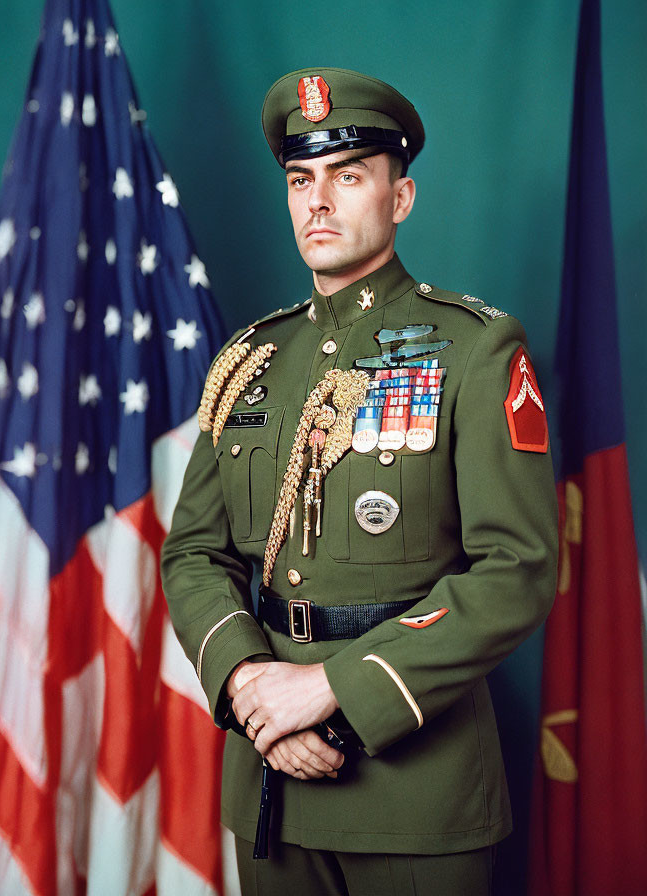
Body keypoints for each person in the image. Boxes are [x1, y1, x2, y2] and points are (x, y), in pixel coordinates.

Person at [161, 67, 558, 895]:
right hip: (269, 783)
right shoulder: (250, 362)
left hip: (417, 792)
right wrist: (249, 689)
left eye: (349, 176)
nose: (319, 201)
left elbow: (516, 569)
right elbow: (194, 552)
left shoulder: (474, 350)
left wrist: (333, 692)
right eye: (302, 179)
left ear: (399, 198)